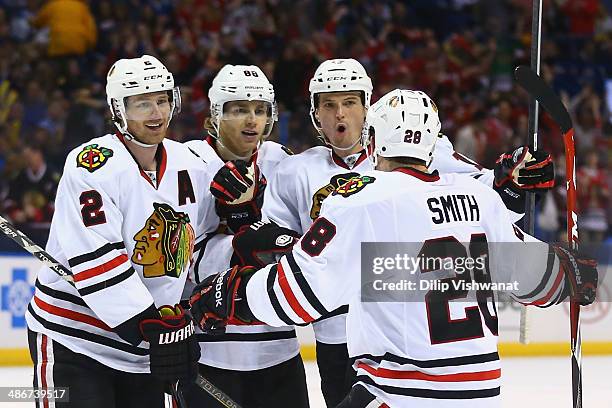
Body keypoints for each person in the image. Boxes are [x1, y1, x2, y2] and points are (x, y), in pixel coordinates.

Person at [189, 89, 598, 407]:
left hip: (404, 393)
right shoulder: (479, 198)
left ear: (375, 138)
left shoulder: (362, 200)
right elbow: (535, 281)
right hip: (482, 391)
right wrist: (569, 271)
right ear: (434, 140)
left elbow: (298, 296)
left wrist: (231, 295)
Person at [24, 55, 210, 408]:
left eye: (161, 100)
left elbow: (193, 249)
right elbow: (99, 258)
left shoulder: (191, 166)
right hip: (75, 341)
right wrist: (149, 325)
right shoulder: (92, 165)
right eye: (142, 104)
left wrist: (184, 318)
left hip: (147, 348)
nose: (156, 114)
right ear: (118, 109)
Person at [183, 64, 309, 408]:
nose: (251, 120)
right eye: (239, 110)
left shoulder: (281, 162)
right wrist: (241, 242)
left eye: (259, 110)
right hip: (209, 351)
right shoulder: (188, 163)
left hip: (278, 347)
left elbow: (296, 250)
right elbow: (180, 260)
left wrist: (253, 231)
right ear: (214, 116)